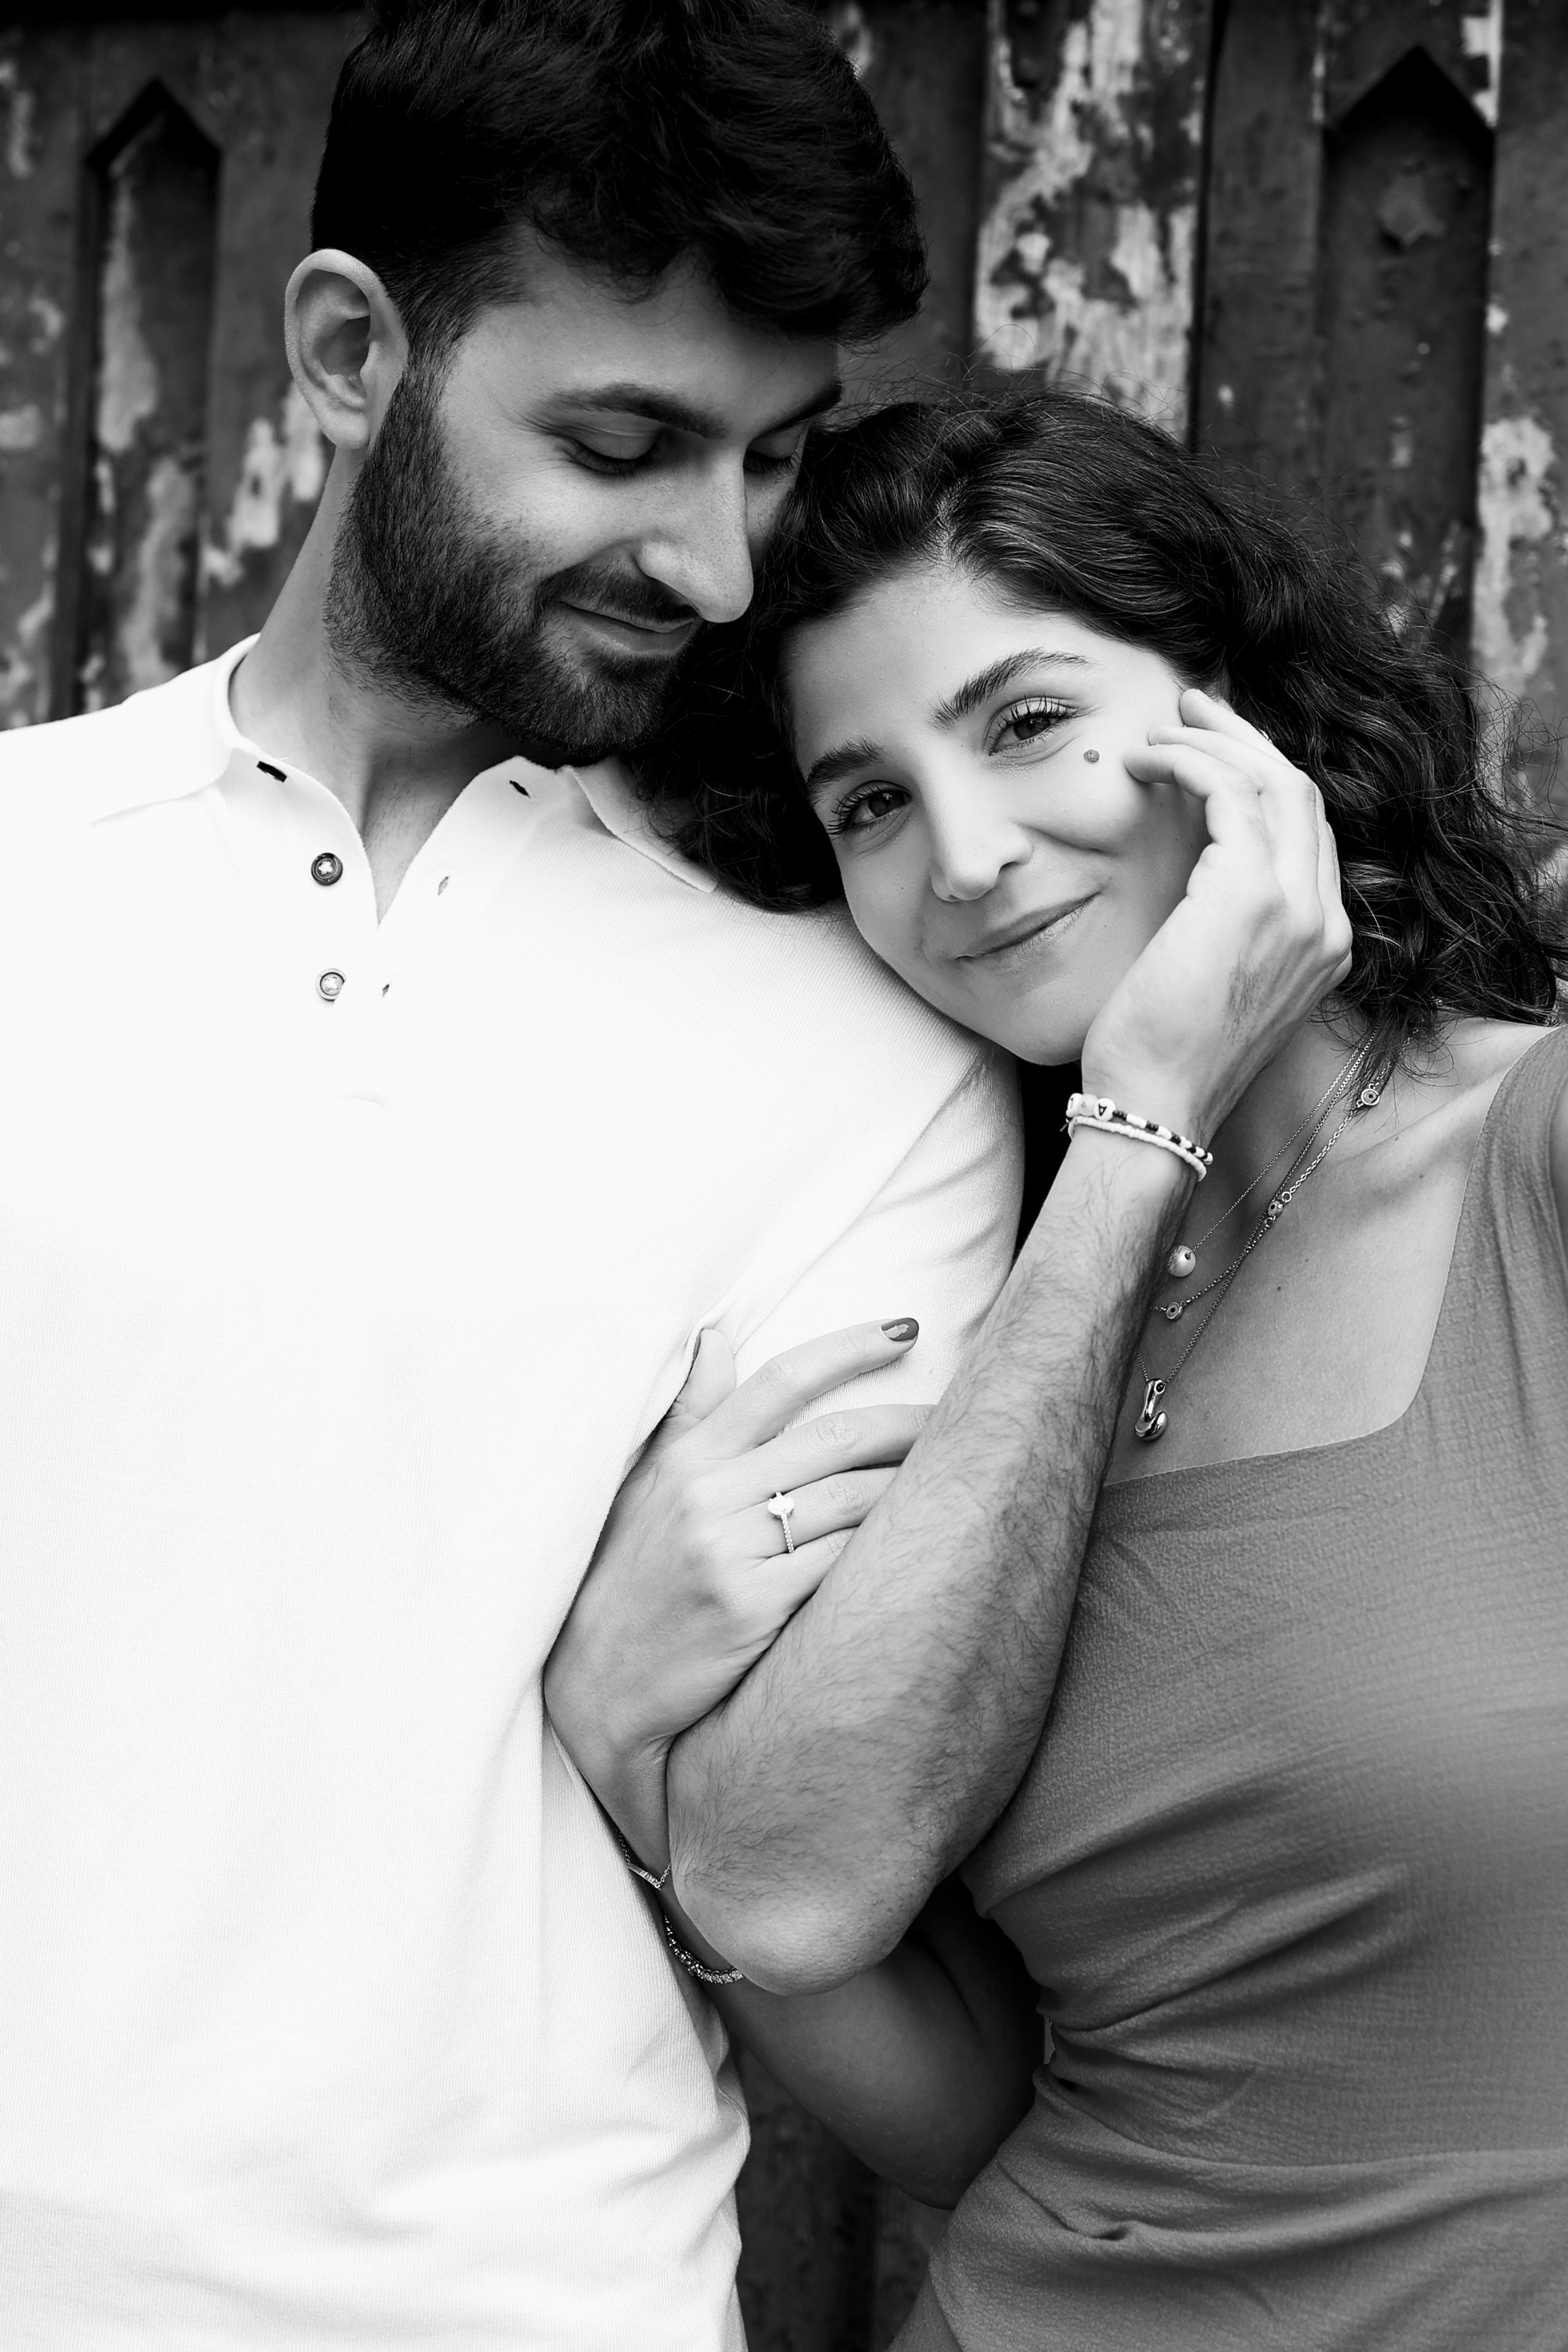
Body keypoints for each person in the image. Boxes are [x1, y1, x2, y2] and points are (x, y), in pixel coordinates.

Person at [0, 9, 1339, 2348]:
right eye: (622, 446)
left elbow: (829, 1833)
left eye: (773, 457)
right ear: (352, 353)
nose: (719, 565)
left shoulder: (865, 1020)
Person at [546, 389, 1568, 2350]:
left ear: (1237, 713)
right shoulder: (985, 1312)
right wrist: (631, 1757)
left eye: (1025, 723)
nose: (966, 854)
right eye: (868, 802)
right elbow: (948, 2082)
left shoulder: (1531, 1162)